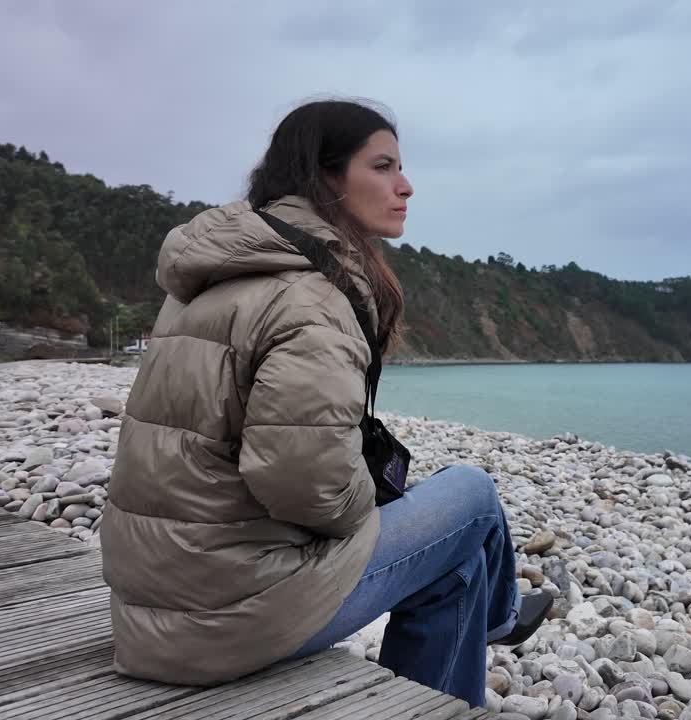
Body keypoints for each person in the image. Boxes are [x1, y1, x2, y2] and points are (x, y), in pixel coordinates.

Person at [100, 98, 552, 707]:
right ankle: (499, 623)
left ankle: (472, 652)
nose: (406, 185)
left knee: (458, 559)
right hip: (228, 616)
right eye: (384, 166)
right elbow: (302, 483)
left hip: (157, 612)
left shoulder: (212, 280)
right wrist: (367, 506)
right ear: (326, 177)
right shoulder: (312, 299)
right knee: (470, 495)